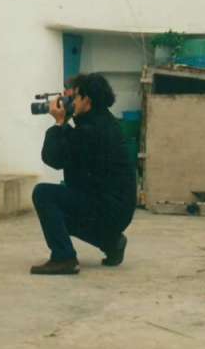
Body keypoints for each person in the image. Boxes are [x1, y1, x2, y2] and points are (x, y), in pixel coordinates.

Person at [30, 73, 136, 275]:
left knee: (43, 194)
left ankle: (64, 258)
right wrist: (67, 119)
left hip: (108, 208)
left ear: (87, 100)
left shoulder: (91, 131)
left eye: (74, 97)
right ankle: (111, 242)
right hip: (116, 209)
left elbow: (53, 158)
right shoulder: (102, 122)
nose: (69, 101)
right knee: (58, 213)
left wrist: (59, 123)